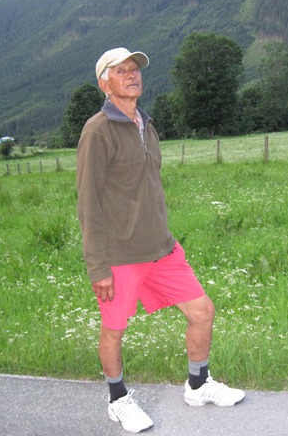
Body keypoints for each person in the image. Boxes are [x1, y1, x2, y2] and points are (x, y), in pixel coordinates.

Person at [76, 47, 245, 433]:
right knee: (114, 330)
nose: (131, 75)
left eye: (134, 69)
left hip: (162, 249)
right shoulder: (97, 131)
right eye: (121, 71)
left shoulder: (146, 124)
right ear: (104, 84)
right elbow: (89, 203)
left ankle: (198, 385)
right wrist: (98, 266)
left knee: (202, 311)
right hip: (120, 255)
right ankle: (118, 399)